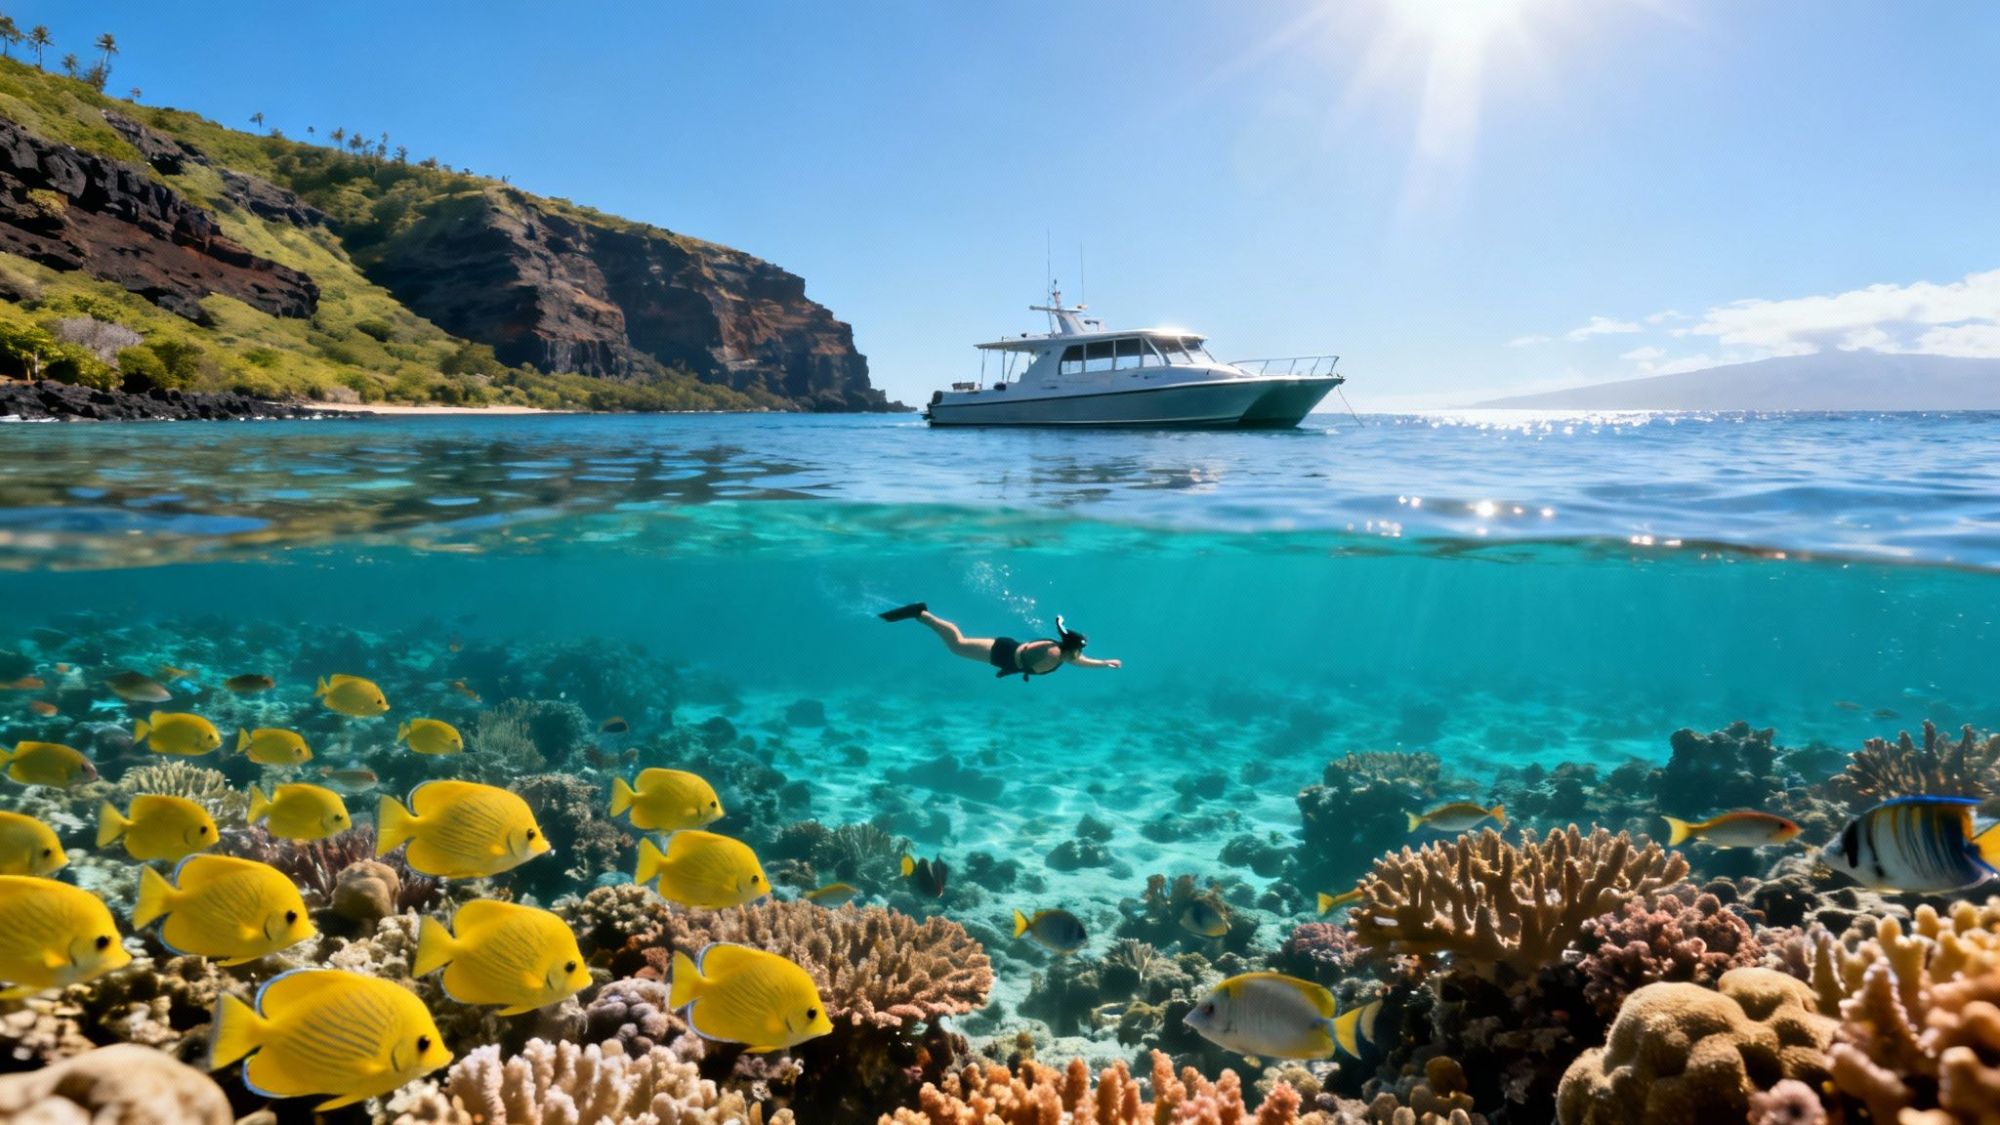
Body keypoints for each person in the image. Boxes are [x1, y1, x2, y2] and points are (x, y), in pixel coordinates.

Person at [879, 603, 1121, 680]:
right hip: (1002, 652)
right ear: (1071, 648)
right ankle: (922, 615)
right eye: (1079, 649)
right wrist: (1014, 669)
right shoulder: (1053, 653)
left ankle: (922, 615)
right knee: (957, 645)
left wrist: (1103, 663)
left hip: (1006, 653)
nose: (1080, 654)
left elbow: (1080, 662)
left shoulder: (1064, 653)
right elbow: (1031, 664)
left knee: (958, 646)